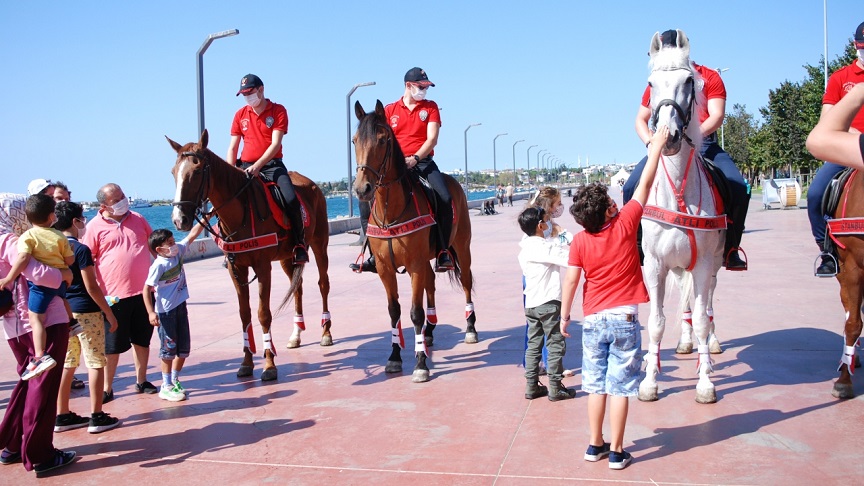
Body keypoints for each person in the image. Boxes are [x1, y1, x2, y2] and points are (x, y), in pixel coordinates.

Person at [560, 126, 669, 471]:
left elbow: (572, 280)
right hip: (623, 318)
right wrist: (658, 146)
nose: (614, 202)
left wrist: (565, 316)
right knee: (621, 387)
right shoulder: (625, 224)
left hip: (592, 320)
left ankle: (595, 445)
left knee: (595, 385)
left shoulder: (578, 241)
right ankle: (618, 451)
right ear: (608, 211)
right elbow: (646, 183)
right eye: (610, 201)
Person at [622, 29, 749, 271]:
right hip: (663, 143)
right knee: (630, 187)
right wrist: (651, 142)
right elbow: (641, 119)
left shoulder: (709, 77)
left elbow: (717, 115)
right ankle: (636, 248)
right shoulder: (658, 80)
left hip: (704, 143)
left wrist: (693, 136)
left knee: (738, 187)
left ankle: (731, 248)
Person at [350, 67, 454, 273]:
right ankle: (372, 255)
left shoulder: (431, 107)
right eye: (421, 86)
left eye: (426, 87)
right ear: (408, 86)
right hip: (395, 165)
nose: (424, 90)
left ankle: (443, 251)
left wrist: (415, 158)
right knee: (365, 205)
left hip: (422, 161)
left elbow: (432, 139)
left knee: (444, 197)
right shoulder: (389, 110)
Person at [0, 227, 77, 476]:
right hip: (40, 321)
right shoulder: (9, 240)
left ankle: (11, 443)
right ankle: (40, 454)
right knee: (44, 386)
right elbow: (39, 273)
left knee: (28, 382)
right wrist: (65, 273)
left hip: (12, 325)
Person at [82, 183, 156, 403]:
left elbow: (154, 245)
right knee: (112, 346)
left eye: (123, 196)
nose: (123, 201)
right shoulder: (94, 227)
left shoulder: (138, 218)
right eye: (117, 199)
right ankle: (107, 388)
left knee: (142, 340)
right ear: (104, 205)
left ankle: (141, 380)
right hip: (113, 297)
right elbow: (87, 260)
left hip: (143, 293)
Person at [53, 202, 121, 434]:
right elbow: (91, 286)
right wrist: (109, 313)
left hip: (62, 311)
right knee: (95, 362)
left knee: (68, 362)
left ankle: (62, 414)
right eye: (82, 218)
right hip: (86, 311)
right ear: (75, 222)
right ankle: (97, 414)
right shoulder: (80, 250)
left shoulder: (54, 248)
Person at [227, 73, 308, 264]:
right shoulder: (240, 114)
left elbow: (275, 144)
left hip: (272, 166)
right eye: (244, 94)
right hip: (245, 167)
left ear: (261, 90)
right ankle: (230, 246)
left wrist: (258, 166)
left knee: (290, 199)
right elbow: (232, 147)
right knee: (228, 200)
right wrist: (230, 172)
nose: (248, 97)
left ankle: (299, 244)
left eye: (250, 92)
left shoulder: (278, 111)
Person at [806, 22, 864, 277]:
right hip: (845, 147)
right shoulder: (841, 78)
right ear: (855, 46)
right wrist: (853, 135)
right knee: (816, 194)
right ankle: (827, 249)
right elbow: (826, 120)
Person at [0, 194, 77, 381]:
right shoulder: (57, 235)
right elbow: (68, 260)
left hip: (18, 318)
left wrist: (8, 278)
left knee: (36, 318)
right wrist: (65, 273)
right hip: (56, 293)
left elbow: (27, 262)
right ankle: (73, 323)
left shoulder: (25, 237)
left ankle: (40, 355)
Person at [517, 206, 575, 401]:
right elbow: (571, 260)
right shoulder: (545, 247)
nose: (550, 222)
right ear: (540, 226)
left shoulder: (524, 248)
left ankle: (531, 385)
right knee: (555, 343)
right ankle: (555, 387)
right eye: (547, 220)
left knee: (533, 345)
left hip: (531, 304)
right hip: (548, 302)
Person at [142, 224, 204, 403]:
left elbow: (192, 235)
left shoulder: (178, 253)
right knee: (168, 349)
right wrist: (150, 312)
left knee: (183, 349)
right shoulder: (159, 265)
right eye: (169, 243)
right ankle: (165, 384)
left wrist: (206, 219)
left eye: (173, 240)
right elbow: (146, 289)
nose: (174, 244)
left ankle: (175, 380)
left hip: (181, 308)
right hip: (166, 312)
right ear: (159, 249)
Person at [807, 83, 864, 168]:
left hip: (857, 149)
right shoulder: (839, 77)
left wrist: (859, 90)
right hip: (845, 148)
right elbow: (825, 118)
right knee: (822, 179)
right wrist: (850, 133)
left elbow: (818, 139)